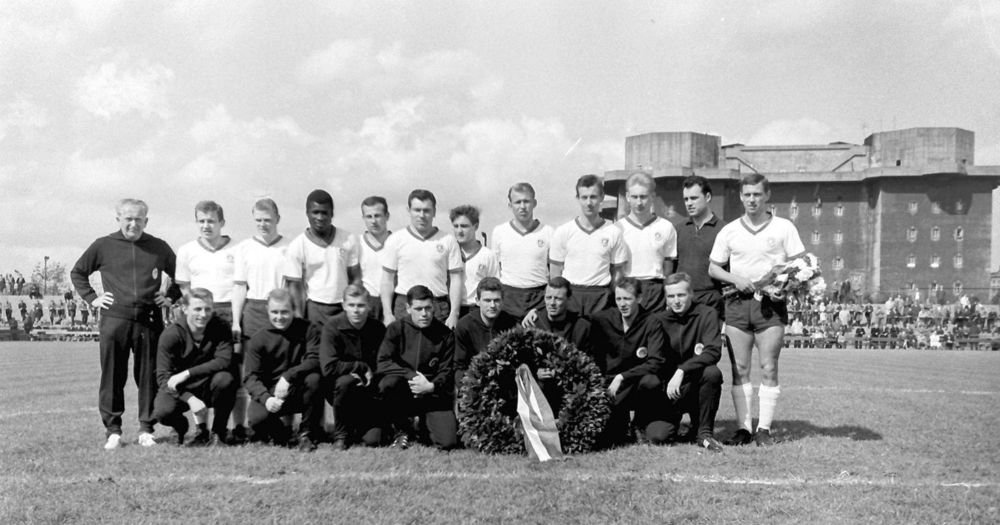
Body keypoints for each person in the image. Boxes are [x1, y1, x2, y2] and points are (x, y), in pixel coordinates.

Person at [71, 198, 180, 450]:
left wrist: (171, 296)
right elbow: (78, 272)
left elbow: (181, 275)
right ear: (118, 218)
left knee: (148, 376)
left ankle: (146, 428)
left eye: (138, 219)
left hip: (149, 320)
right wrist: (92, 298)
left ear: (146, 221)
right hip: (114, 320)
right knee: (112, 376)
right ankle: (113, 430)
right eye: (128, 218)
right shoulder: (103, 245)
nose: (133, 223)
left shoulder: (159, 247)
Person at [709, 173, 805, 447]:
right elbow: (713, 267)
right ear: (741, 196)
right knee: (739, 367)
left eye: (757, 194)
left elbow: (801, 264)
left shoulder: (784, 227)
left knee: (768, 366)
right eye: (747, 194)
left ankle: (763, 429)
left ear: (767, 196)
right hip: (738, 304)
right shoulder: (729, 230)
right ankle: (743, 428)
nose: (752, 199)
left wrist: (783, 287)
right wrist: (735, 278)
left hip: (771, 305)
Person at [174, 200, 246, 441]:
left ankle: (237, 427)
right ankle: (202, 428)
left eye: (211, 221)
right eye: (201, 221)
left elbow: (240, 285)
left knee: (234, 373)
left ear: (222, 223)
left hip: (228, 312)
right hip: (200, 314)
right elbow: (184, 288)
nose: (206, 226)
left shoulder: (238, 249)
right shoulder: (186, 251)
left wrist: (235, 320)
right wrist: (193, 315)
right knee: (199, 372)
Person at [232, 198, 291, 441]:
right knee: (250, 373)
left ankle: (287, 426)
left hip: (280, 311)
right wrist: (236, 321)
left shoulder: (289, 246)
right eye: (258, 220)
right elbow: (239, 287)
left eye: (268, 220)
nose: (263, 224)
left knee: (284, 371)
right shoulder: (244, 248)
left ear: (278, 218)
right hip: (254, 312)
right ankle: (243, 426)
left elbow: (292, 287)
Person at [589, 277, 673, 446]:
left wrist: (622, 376)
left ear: (639, 298)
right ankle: (621, 422)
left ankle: (640, 423)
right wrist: (536, 313)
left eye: (627, 298)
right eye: (619, 299)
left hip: (636, 384)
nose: (622, 304)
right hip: (610, 388)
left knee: (652, 381)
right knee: (609, 439)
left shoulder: (651, 322)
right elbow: (575, 319)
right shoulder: (602, 319)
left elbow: (656, 361)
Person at [376, 285, 458, 450]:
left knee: (447, 443)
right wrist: (412, 376)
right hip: (403, 390)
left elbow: (447, 370)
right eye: (418, 309)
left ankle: (422, 426)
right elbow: (383, 362)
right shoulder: (396, 329)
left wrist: (431, 386)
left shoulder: (445, 334)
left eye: (428, 308)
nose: (424, 314)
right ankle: (401, 430)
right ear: (408, 308)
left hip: (432, 392)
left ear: (434, 307)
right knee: (388, 384)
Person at [152, 288, 236, 446]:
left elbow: (224, 360)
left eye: (207, 309)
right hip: (180, 388)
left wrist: (187, 373)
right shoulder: (171, 335)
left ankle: (218, 432)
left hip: (209, 384)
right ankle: (180, 427)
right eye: (197, 309)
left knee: (227, 380)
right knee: (162, 412)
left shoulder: (221, 327)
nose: (203, 314)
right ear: (185, 309)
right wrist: (189, 398)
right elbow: (163, 378)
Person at [243, 289, 324, 451]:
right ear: (267, 310)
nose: (279, 317)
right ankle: (282, 434)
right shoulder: (258, 339)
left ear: (293, 310)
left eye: (285, 312)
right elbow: (250, 378)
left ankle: (306, 434)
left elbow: (316, 359)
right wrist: (266, 399)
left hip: (299, 390)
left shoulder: (309, 329)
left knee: (315, 379)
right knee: (257, 419)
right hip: (272, 394)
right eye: (275, 312)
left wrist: (288, 377)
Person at [658, 273, 724, 452]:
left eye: (681, 295)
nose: (676, 300)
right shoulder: (660, 320)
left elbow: (713, 351)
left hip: (696, 385)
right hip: (670, 390)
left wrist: (682, 370)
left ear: (691, 294)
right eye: (671, 296)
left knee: (712, 373)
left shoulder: (707, 314)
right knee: (659, 436)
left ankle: (704, 432)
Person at [380, 189, 463, 329]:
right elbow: (387, 279)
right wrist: (387, 313)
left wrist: (454, 313)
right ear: (409, 210)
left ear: (434, 212)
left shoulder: (448, 240)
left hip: (438, 306)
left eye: (426, 210)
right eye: (417, 210)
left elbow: (456, 280)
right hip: (405, 305)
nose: (422, 215)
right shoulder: (395, 240)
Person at [319, 283, 387, 449]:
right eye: (351, 305)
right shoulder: (332, 327)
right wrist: (359, 367)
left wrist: (372, 375)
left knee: (373, 441)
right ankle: (341, 435)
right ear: (343, 305)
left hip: (369, 389)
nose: (356, 310)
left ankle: (362, 426)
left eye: (361, 305)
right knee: (345, 382)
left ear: (369, 306)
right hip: (339, 388)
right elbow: (328, 367)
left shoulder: (378, 328)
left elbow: (385, 362)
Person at [549, 174, 628, 317]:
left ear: (602, 197)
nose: (589, 203)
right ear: (577, 198)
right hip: (571, 295)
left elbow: (618, 272)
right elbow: (555, 273)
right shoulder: (563, 231)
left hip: (600, 296)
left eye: (593, 197)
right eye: (584, 197)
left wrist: (609, 294)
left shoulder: (614, 232)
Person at [285, 190, 361, 327]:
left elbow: (355, 278)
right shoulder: (297, 246)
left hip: (343, 307)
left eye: (324, 212)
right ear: (307, 213)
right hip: (315, 308)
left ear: (332, 214)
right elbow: (294, 286)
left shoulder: (349, 239)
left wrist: (353, 306)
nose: (320, 217)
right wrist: (298, 315)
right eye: (315, 212)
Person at [490, 182, 552, 319]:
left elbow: (553, 272)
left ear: (534, 203)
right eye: (517, 202)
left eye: (526, 201)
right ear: (510, 205)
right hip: (508, 297)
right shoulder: (499, 232)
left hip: (538, 298)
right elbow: (495, 269)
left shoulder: (548, 232)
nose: (522, 207)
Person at [618, 172, 676, 312]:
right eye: (634, 197)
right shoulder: (617, 229)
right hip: (628, 287)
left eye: (643, 197)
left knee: (654, 331)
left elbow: (668, 265)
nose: (639, 202)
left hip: (655, 290)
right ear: (627, 197)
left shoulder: (666, 227)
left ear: (652, 197)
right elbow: (615, 269)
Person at [675, 176, 725, 320]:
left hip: (712, 301)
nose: (689, 203)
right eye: (686, 199)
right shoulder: (677, 230)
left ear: (707, 197)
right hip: (683, 301)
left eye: (694, 198)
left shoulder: (725, 230)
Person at [453, 277, 518, 387]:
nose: (492, 305)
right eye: (487, 300)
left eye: (496, 300)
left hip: (504, 384)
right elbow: (459, 367)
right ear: (477, 301)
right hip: (475, 384)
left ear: (503, 301)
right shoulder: (464, 326)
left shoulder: (510, 323)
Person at [451, 205, 499, 318]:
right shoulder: (449, 253)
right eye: (456, 226)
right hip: (451, 311)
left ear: (475, 226)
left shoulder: (487, 255)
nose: (459, 231)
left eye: (464, 226)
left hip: (477, 310)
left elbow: (495, 287)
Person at [527, 277, 592, 354]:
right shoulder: (533, 322)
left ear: (569, 299)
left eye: (558, 299)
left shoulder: (582, 328)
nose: (552, 303)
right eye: (548, 298)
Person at [358, 196, 392, 322]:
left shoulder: (398, 243)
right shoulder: (356, 244)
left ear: (387, 216)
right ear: (363, 218)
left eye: (377, 216)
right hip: (367, 303)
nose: (373, 221)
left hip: (393, 302)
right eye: (369, 216)